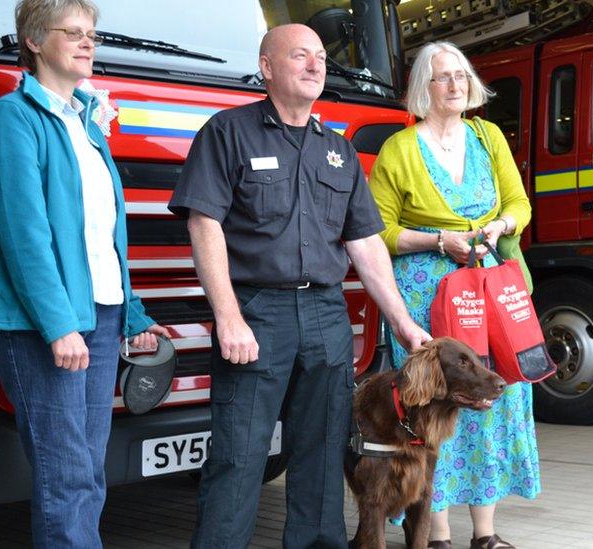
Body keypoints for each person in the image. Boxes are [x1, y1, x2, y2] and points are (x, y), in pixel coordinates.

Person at [168, 24, 431, 549]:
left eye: (320, 58)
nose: (315, 65)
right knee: (239, 455)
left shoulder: (337, 151)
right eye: (299, 56)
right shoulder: (228, 132)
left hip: (327, 315)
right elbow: (204, 224)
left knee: (323, 449)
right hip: (257, 313)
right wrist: (228, 316)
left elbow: (365, 244)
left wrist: (403, 323)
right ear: (266, 67)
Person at [0, 0, 168, 546]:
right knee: (66, 477)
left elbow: (105, 237)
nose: (88, 43)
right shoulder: (12, 119)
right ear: (34, 41)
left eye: (93, 34)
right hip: (44, 327)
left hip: (102, 319)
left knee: (87, 473)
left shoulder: (86, 124)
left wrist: (131, 314)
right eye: (74, 33)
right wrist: (59, 326)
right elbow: (23, 236)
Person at [367, 41, 541, 549]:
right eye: (442, 77)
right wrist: (438, 240)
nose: (455, 85)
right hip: (429, 297)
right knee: (432, 410)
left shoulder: (488, 137)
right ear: (424, 87)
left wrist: (499, 227)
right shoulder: (399, 150)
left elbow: (519, 203)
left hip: (490, 291)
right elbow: (377, 232)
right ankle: (434, 534)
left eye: (461, 76)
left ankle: (485, 535)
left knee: (492, 398)